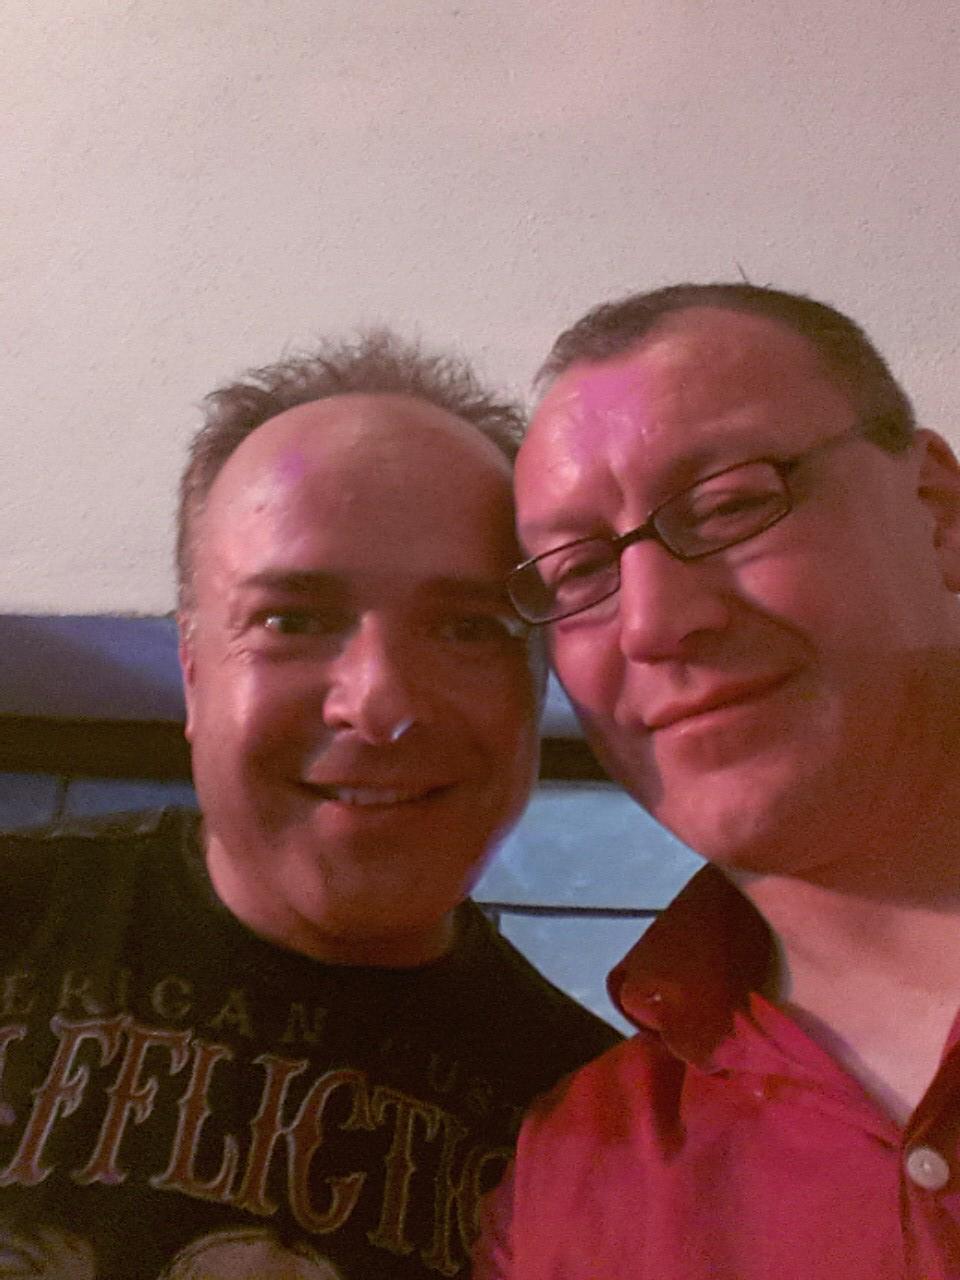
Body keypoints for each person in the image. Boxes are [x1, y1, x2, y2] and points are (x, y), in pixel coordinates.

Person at [0, 331, 618, 1278]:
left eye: (469, 627)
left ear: (535, 683)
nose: (379, 704)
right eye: (290, 619)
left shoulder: (603, 1131)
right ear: (194, 670)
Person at [475, 283, 960, 1278]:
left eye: (731, 504)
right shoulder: (570, 1181)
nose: (653, 623)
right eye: (578, 573)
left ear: (938, 514)